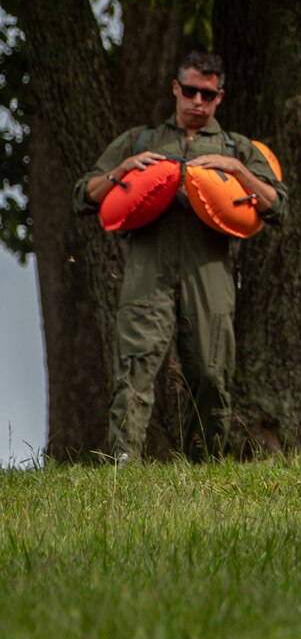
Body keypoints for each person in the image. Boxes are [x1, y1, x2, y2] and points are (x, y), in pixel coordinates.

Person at [78, 50, 286, 460]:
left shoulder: (237, 148)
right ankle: (123, 465)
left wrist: (238, 171)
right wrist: (125, 169)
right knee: (135, 368)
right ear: (175, 88)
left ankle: (205, 464)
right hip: (147, 269)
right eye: (189, 90)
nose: (197, 101)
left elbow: (278, 206)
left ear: (219, 97)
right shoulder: (141, 141)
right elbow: (83, 195)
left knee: (210, 373)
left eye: (207, 95)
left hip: (209, 270)